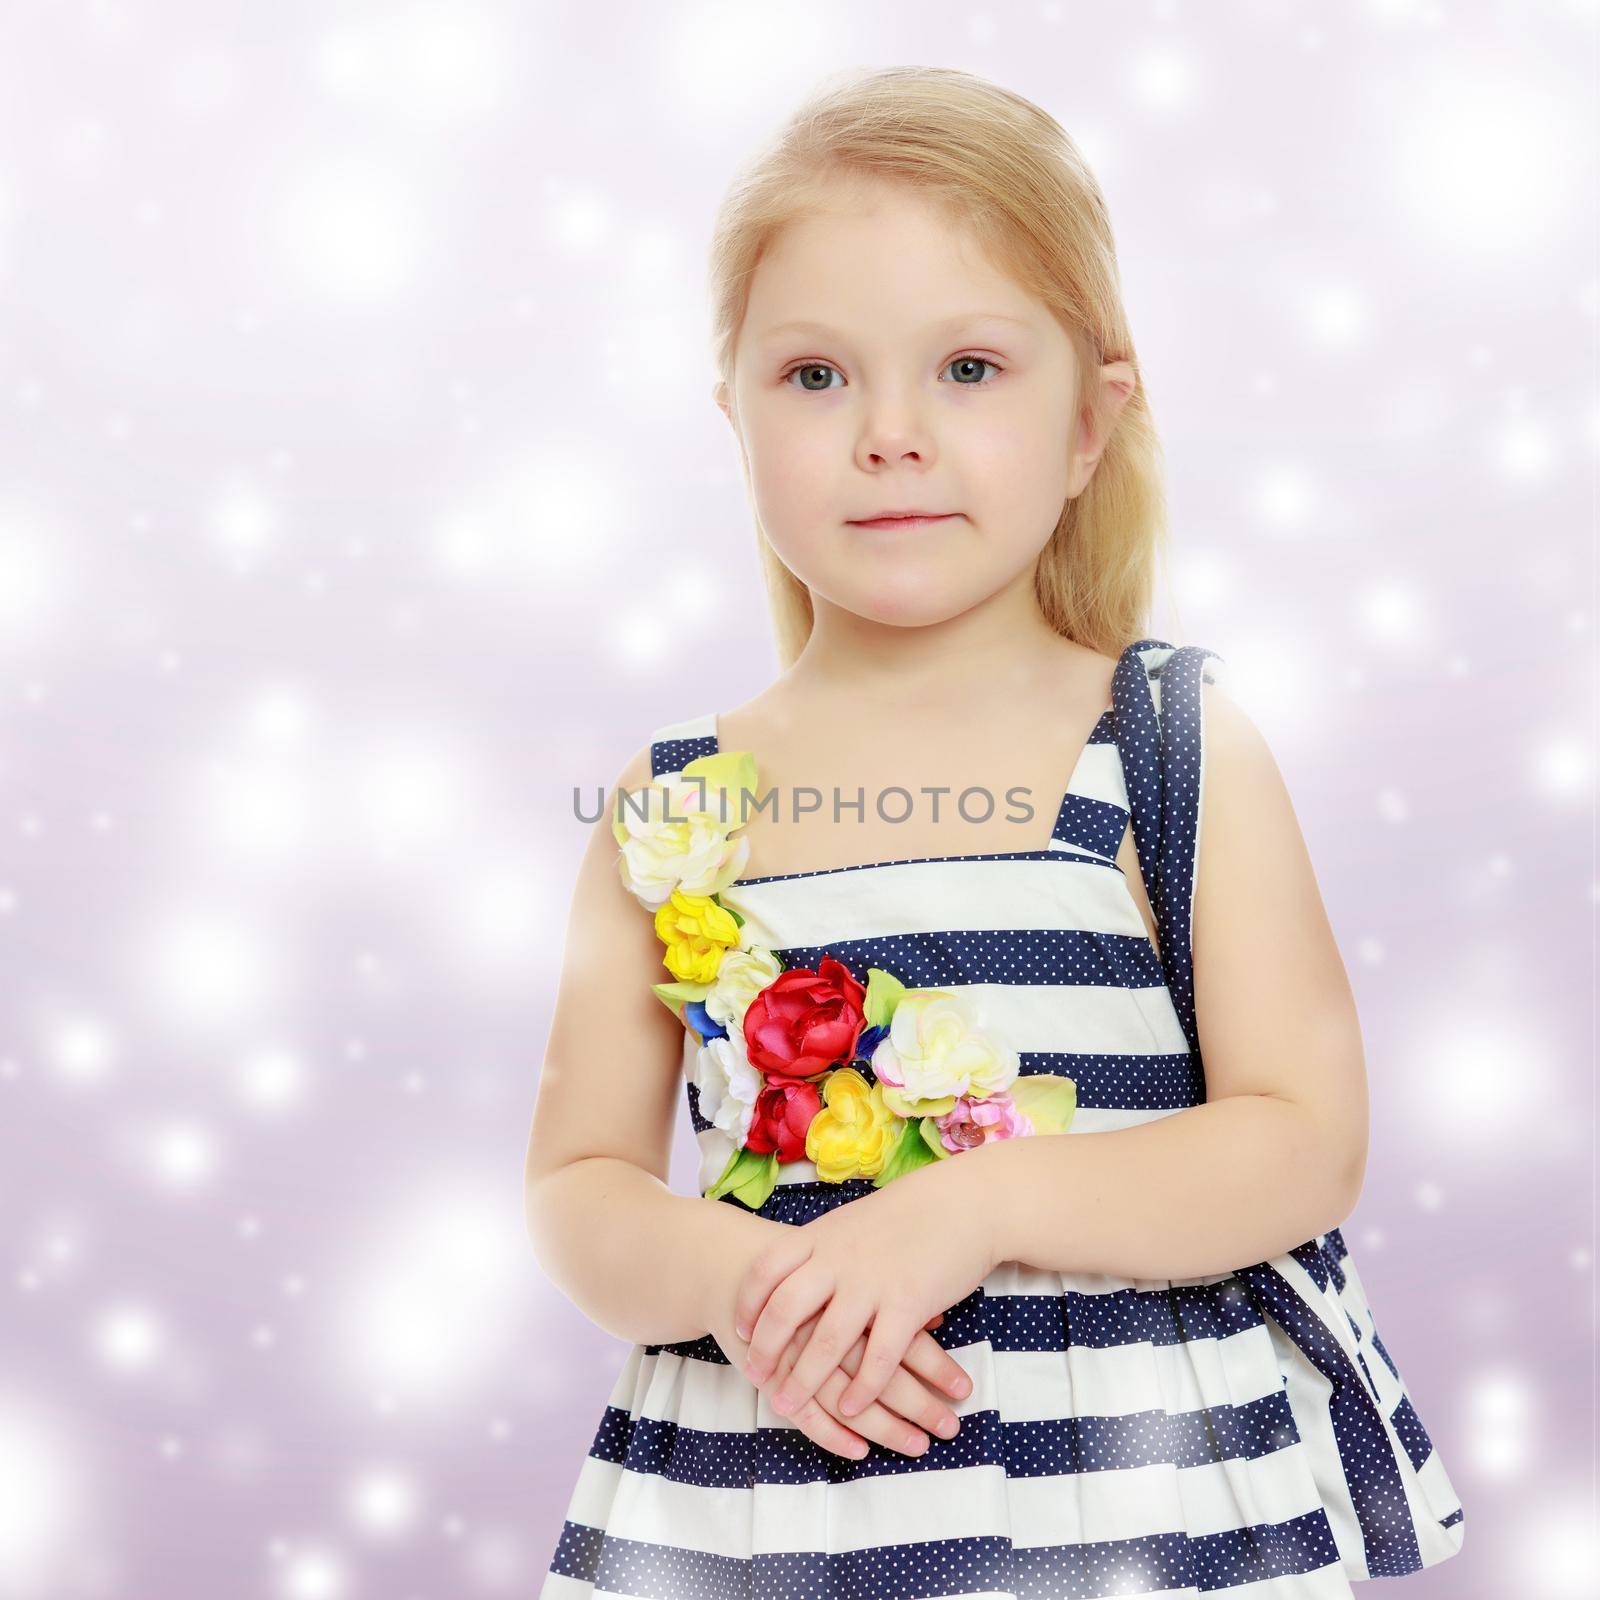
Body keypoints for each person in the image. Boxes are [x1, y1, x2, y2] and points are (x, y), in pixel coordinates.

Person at [526, 64, 1466, 1599]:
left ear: (1093, 421)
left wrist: (975, 1209)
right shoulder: (670, 805)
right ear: (734, 414)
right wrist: (757, 1284)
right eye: (816, 377)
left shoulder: (1170, 742)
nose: (890, 433)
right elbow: (578, 1180)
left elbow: (1304, 1138)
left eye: (969, 368)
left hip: (1149, 1515)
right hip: (785, 1512)